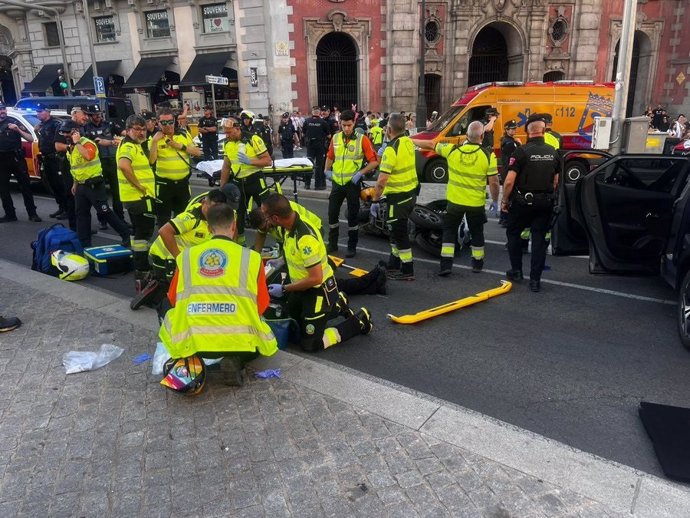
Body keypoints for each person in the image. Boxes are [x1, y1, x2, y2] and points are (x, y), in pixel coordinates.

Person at [159, 202, 278, 386]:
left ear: (208, 227)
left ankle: (189, 359)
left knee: (167, 310)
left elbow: (174, 299)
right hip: (239, 343)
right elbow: (261, 305)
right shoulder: (252, 258)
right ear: (234, 226)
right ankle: (234, 360)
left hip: (195, 343)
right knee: (261, 325)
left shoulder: (187, 257)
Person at [262, 193, 372, 352]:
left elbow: (315, 278)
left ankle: (358, 321)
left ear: (276, 218)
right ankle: (337, 305)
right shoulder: (288, 227)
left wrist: (285, 289)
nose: (265, 220)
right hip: (300, 289)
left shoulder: (305, 238)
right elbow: (295, 256)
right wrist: (280, 261)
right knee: (294, 329)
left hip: (317, 290)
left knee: (310, 344)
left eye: (266, 216)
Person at [413, 120, 499, 275]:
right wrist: (495, 200)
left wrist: (410, 140)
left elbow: (431, 145)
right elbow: (494, 182)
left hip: (454, 202)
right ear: (482, 136)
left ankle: (446, 265)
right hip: (475, 203)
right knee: (477, 232)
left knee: (449, 232)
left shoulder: (452, 150)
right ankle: (477, 264)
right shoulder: (488, 155)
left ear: (466, 135)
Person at [501, 115, 560, 292]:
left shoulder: (521, 151)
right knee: (539, 240)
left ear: (528, 131)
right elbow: (556, 181)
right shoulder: (553, 152)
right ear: (543, 130)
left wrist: (505, 200)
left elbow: (510, 181)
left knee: (513, 233)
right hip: (545, 202)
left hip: (522, 202)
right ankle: (535, 280)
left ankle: (517, 270)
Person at [61, 112, 130, 248]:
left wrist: (77, 142)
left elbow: (88, 156)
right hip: (81, 186)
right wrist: (75, 183)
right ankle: (84, 244)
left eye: (67, 133)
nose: (64, 136)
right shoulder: (71, 148)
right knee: (81, 215)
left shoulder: (87, 143)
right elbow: (75, 167)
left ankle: (125, 233)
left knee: (104, 211)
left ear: (75, 132)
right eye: (63, 133)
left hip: (94, 184)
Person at [369, 113, 419, 280]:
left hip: (398, 198)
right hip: (410, 194)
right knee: (394, 232)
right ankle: (394, 262)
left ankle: (407, 270)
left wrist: (375, 200)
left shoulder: (391, 149)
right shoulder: (407, 142)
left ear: (388, 129)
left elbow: (382, 180)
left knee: (399, 234)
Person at [324, 109, 379, 257]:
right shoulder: (335, 138)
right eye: (344, 125)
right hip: (337, 183)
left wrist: (360, 173)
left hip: (352, 184)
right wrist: (326, 170)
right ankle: (333, 244)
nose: (347, 128)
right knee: (332, 214)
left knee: (353, 217)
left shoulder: (362, 139)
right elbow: (330, 156)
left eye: (349, 125)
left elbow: (374, 162)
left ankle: (351, 246)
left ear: (354, 123)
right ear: (340, 124)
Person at [117, 114, 157, 289]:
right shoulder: (129, 146)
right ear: (128, 130)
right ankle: (142, 269)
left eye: (143, 129)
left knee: (137, 233)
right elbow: (124, 165)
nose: (141, 132)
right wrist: (140, 186)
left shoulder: (135, 145)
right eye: (137, 129)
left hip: (134, 198)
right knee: (144, 233)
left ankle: (138, 264)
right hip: (139, 198)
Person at [219, 115, 273, 246]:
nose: (227, 136)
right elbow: (226, 166)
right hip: (239, 182)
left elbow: (267, 161)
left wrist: (251, 161)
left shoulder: (252, 139)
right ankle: (240, 243)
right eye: (225, 133)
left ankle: (279, 240)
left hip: (255, 180)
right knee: (238, 214)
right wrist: (222, 187)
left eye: (229, 132)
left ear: (237, 129)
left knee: (267, 211)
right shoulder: (227, 143)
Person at [148, 107, 202, 226]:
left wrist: (178, 145)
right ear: (158, 123)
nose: (168, 125)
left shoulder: (183, 134)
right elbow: (151, 161)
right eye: (164, 122)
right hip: (164, 185)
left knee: (182, 218)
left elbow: (197, 152)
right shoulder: (153, 138)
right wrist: (155, 143)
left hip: (182, 184)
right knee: (164, 219)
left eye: (170, 122)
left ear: (175, 121)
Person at [84, 106, 125, 229]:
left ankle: (120, 218)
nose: (99, 117)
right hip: (99, 163)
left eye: (100, 114)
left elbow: (122, 132)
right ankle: (103, 219)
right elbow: (97, 141)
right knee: (100, 194)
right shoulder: (86, 128)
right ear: (90, 116)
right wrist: (112, 142)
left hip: (113, 162)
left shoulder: (109, 124)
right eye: (95, 115)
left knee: (117, 192)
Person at [0, 103, 41, 223]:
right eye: (0, 110)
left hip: (16, 158)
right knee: (3, 189)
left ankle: (32, 213)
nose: (3, 111)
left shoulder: (14, 122)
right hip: (2, 160)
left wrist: (18, 129)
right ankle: (10, 214)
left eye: (3, 109)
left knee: (26, 186)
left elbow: (30, 138)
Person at [35, 104, 71, 221]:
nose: (38, 114)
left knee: (60, 184)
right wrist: (37, 132)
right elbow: (42, 141)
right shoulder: (43, 125)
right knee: (53, 185)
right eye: (37, 112)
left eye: (40, 111)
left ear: (47, 112)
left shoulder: (55, 124)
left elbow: (58, 141)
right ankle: (61, 206)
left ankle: (67, 209)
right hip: (46, 158)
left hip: (55, 158)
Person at [499, 119, 521, 227]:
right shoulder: (509, 143)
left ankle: (503, 217)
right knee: (509, 194)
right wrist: (519, 144)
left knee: (506, 193)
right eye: (512, 129)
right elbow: (517, 155)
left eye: (515, 128)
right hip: (509, 170)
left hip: (506, 170)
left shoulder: (508, 141)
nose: (514, 130)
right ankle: (505, 218)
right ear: (506, 130)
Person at [303, 106, 330, 190]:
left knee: (309, 164)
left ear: (312, 112)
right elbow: (329, 135)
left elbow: (304, 132)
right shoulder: (323, 122)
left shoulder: (307, 121)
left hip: (310, 145)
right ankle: (318, 185)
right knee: (319, 165)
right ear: (319, 112)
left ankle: (307, 184)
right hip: (320, 145)